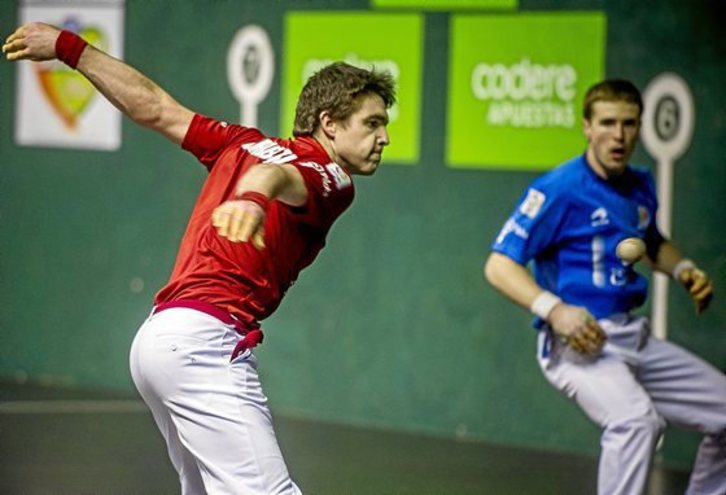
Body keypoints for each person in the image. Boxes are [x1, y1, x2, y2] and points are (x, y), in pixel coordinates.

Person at [4, 22, 395, 494]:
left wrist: (70, 48)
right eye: (372, 123)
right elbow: (278, 178)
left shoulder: (241, 141)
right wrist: (252, 197)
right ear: (329, 123)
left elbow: (154, 108)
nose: (384, 138)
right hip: (203, 345)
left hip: (157, 341)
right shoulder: (334, 179)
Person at [484, 79, 726, 494]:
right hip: (578, 342)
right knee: (636, 422)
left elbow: (651, 243)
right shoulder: (559, 190)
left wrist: (685, 270)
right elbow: (499, 265)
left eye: (629, 124)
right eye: (608, 123)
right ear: (587, 127)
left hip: (631, 335)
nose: (619, 136)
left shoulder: (640, 185)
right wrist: (555, 311)